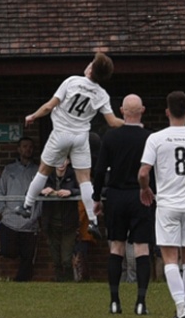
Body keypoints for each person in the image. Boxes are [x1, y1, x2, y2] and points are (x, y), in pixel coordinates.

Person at [17, 52, 123, 242]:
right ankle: (92, 221)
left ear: (90, 69)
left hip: (60, 133)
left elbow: (49, 106)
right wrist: (131, 125)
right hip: (81, 137)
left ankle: (26, 205)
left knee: (43, 170)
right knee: (84, 180)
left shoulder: (72, 81)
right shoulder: (101, 94)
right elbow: (113, 122)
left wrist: (33, 116)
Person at [138, 91, 185, 318]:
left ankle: (180, 309)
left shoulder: (156, 139)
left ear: (167, 112)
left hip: (167, 204)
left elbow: (142, 172)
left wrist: (145, 189)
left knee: (170, 258)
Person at [93, 94, 153, 315]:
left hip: (116, 196)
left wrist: (96, 197)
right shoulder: (150, 138)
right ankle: (141, 302)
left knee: (116, 247)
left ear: (121, 111)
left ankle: (115, 301)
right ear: (142, 110)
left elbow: (99, 171)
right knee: (141, 248)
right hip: (140, 196)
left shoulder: (110, 137)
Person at [0, 137, 41, 281]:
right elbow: (0, 192)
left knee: (27, 258)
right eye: (25, 146)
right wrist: (2, 211)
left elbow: (42, 196)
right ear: (19, 149)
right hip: (10, 220)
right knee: (9, 251)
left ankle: (21, 284)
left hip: (30, 222)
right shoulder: (9, 170)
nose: (28, 149)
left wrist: (36, 215)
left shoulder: (38, 171)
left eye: (30, 147)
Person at [41, 161, 80, 282]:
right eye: (58, 159)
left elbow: (86, 189)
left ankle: (69, 282)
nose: (61, 163)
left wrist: (71, 192)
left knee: (66, 259)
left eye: (64, 159)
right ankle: (59, 283)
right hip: (51, 224)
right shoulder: (47, 175)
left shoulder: (74, 174)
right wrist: (42, 190)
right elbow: (30, 191)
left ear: (68, 161)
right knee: (56, 259)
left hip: (69, 224)